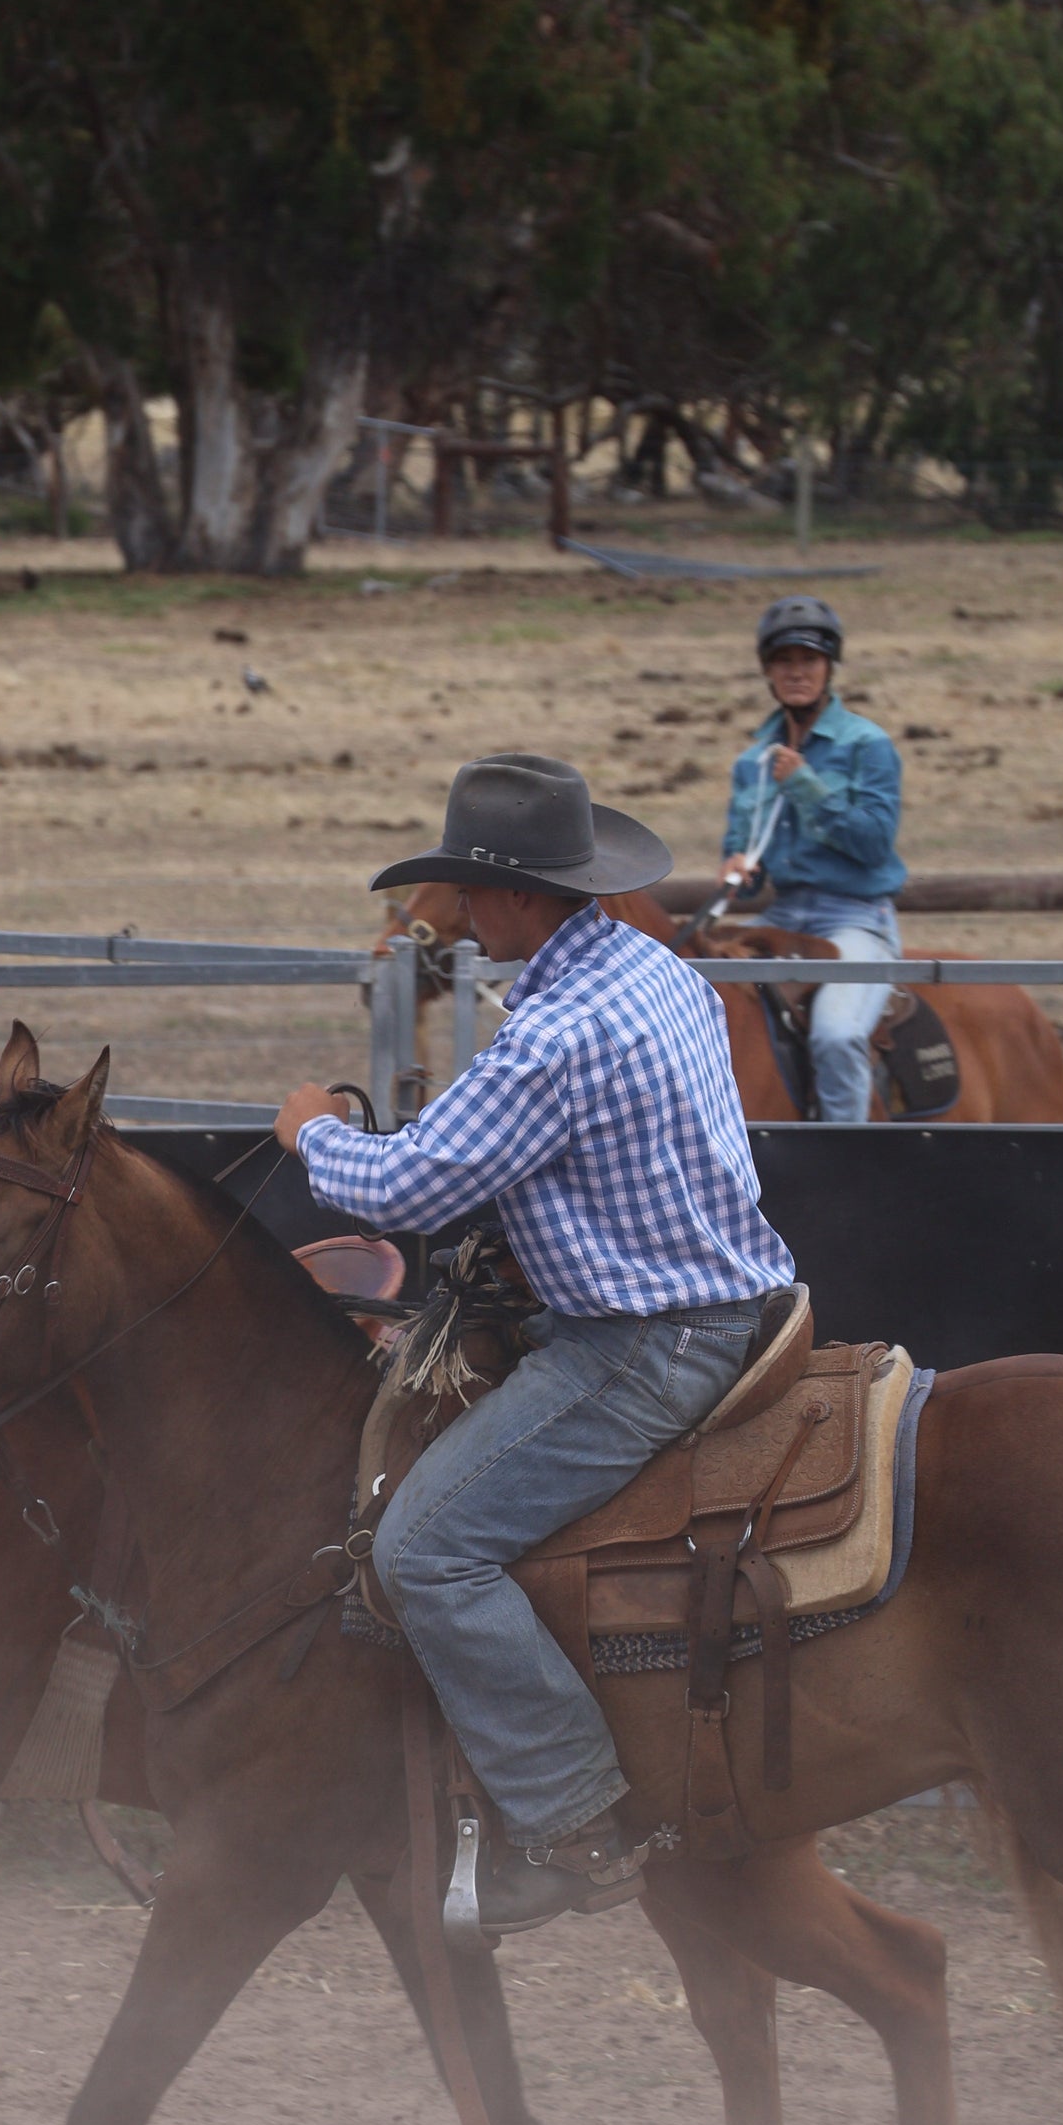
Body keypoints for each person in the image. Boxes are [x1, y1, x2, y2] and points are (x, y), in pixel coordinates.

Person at [274, 753, 795, 1934]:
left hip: (641, 1346)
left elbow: (407, 1187)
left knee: (423, 1550)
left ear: (513, 894)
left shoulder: (554, 1035)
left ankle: (571, 1828)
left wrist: (311, 1135)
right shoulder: (655, 970)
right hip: (728, 1298)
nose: (457, 911)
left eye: (465, 886)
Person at [722, 595, 905, 1123]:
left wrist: (805, 785)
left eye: (809, 660)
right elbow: (744, 860)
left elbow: (874, 843)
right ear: (767, 671)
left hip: (856, 919)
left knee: (838, 1035)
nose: (796, 672)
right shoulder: (752, 762)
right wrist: (736, 868)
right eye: (783, 661)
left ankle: (844, 1155)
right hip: (781, 917)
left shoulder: (867, 745)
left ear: (829, 668)